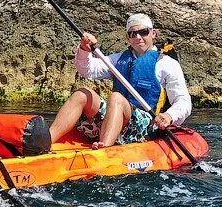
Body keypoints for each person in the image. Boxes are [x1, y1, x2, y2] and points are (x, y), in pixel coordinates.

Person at [49, 13, 191, 149]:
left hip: (145, 126)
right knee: (82, 94)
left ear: (153, 33)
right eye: (132, 34)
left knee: (116, 97)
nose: (138, 37)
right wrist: (84, 50)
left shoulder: (167, 64)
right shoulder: (117, 60)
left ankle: (104, 148)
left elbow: (183, 100)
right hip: (116, 117)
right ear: (128, 38)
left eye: (143, 32)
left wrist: (169, 115)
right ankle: (46, 140)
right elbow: (88, 70)